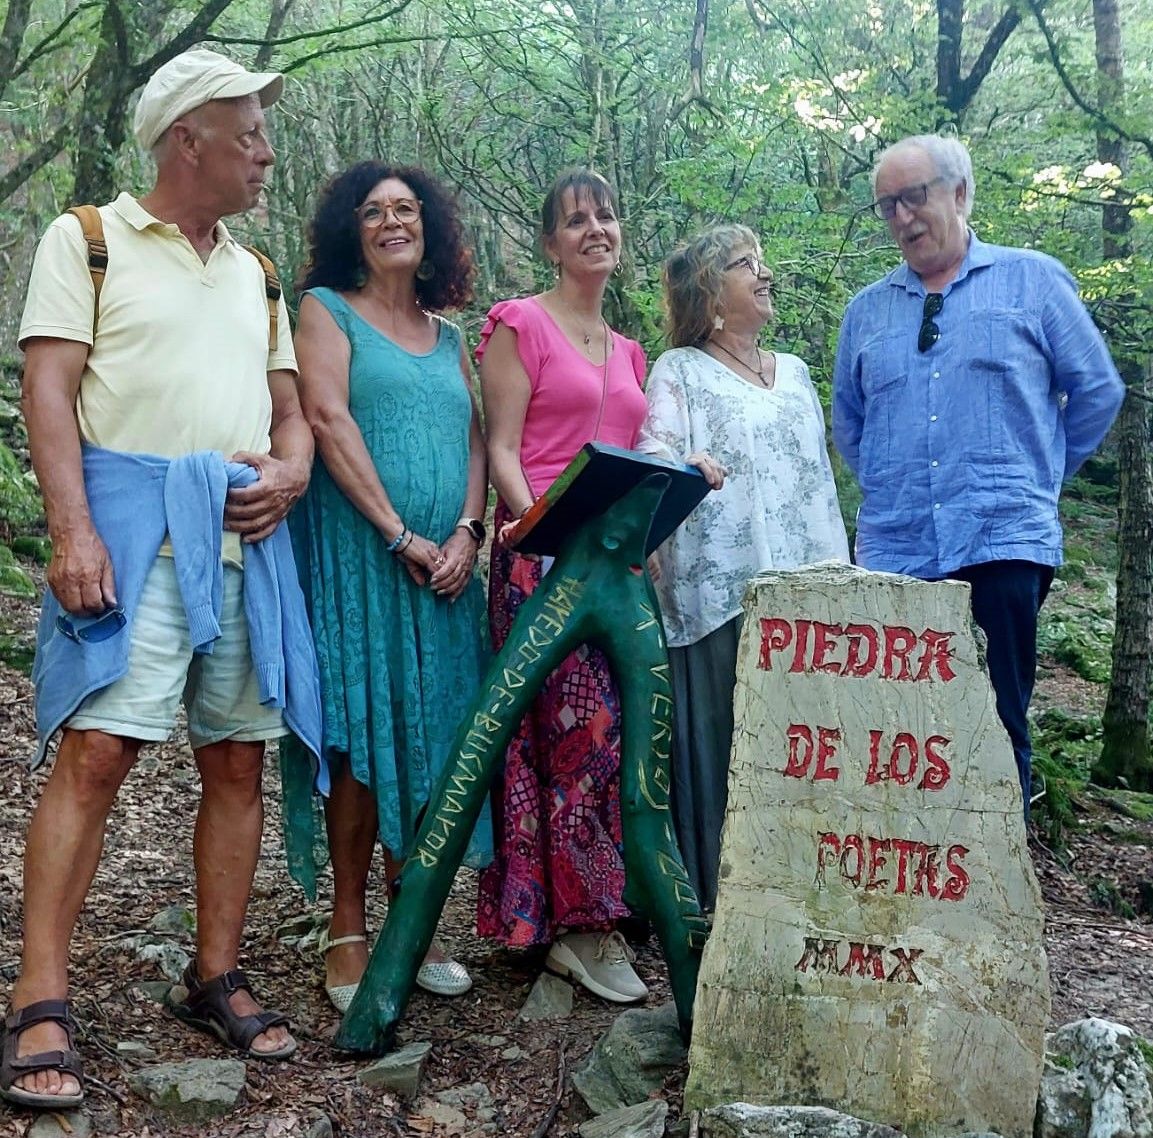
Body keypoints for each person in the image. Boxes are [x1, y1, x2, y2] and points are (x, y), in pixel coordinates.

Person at [3, 49, 321, 1109]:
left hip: (243, 547)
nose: (266, 153)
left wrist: (289, 473)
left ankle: (214, 973)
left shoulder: (256, 270)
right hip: (133, 537)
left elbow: (289, 413)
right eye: (250, 134)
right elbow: (48, 389)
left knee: (235, 763)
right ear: (190, 138)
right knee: (98, 754)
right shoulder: (87, 241)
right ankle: (39, 994)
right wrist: (71, 531)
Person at [832, 133, 1125, 814]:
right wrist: (888, 484)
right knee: (897, 732)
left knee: (992, 725)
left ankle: (995, 912)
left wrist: (1034, 476)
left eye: (915, 196)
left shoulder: (1031, 280)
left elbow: (1096, 391)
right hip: (894, 552)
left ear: (959, 193)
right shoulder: (866, 311)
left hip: (1000, 541)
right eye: (886, 205)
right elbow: (849, 424)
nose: (901, 217)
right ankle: (909, 901)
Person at [290, 161, 490, 1012]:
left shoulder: (449, 335)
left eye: (406, 209)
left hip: (445, 575)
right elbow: (326, 417)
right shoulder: (325, 311)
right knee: (362, 737)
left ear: (430, 227)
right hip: (363, 560)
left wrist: (466, 535)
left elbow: (478, 442)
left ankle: (414, 914)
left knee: (436, 735)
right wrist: (399, 533)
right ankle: (345, 925)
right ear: (351, 229)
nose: (390, 222)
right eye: (372, 212)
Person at [477, 169, 674, 1003]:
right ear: (551, 243)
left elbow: (636, 464)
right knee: (563, 738)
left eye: (605, 215)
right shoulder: (518, 324)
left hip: (617, 571)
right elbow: (502, 449)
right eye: (575, 220)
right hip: (540, 561)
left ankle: (590, 917)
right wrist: (541, 536)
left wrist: (646, 550)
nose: (595, 228)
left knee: (610, 739)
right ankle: (561, 926)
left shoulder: (631, 352)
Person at [638, 224, 848, 912]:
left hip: (809, 599)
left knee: (807, 756)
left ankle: (808, 911)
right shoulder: (680, 370)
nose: (763, 274)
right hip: (721, 596)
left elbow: (817, 481)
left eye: (762, 260)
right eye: (742, 264)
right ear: (708, 291)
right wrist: (683, 466)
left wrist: (842, 581)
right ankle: (723, 921)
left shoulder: (793, 373)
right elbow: (654, 455)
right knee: (729, 757)